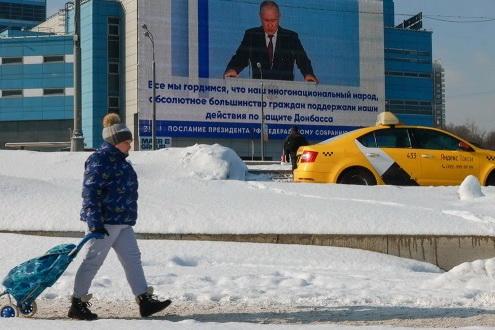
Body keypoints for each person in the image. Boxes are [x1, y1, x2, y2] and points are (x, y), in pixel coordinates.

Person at [68, 113, 171, 320]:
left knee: (133, 260)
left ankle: (144, 301)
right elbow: (90, 192)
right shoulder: (99, 160)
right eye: (127, 142)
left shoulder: (122, 161)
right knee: (92, 262)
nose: (130, 145)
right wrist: (95, 223)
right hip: (104, 223)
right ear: (116, 142)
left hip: (122, 222)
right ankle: (77, 303)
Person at [224, 1, 318, 82]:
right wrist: (233, 69)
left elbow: (303, 60)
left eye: (273, 20)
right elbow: (240, 57)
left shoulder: (290, 37)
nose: (270, 25)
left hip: (285, 93)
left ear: (279, 17)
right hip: (259, 93)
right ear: (260, 17)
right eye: (266, 20)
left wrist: (308, 74)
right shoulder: (252, 35)